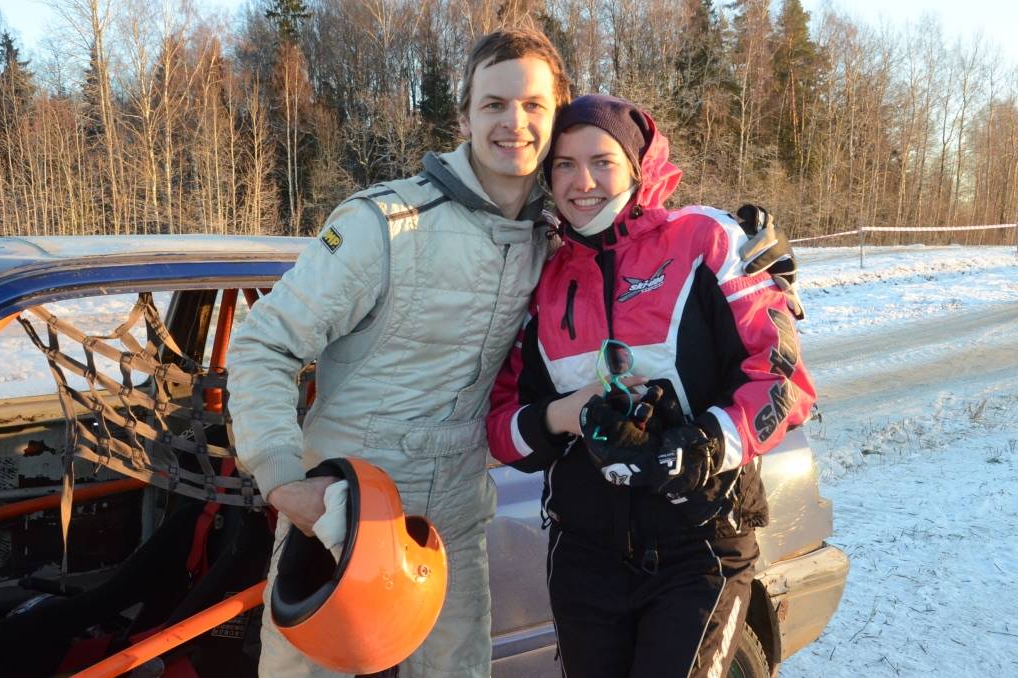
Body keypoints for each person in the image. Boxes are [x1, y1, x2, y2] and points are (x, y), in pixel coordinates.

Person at [226, 28, 571, 678]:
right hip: (341, 514)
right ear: (464, 118)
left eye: (533, 105)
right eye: (494, 104)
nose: (514, 122)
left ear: (557, 118)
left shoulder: (551, 241)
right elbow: (264, 344)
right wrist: (283, 480)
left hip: (452, 524)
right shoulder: (384, 226)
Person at [486, 94, 817, 677]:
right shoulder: (541, 280)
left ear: (639, 166)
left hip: (698, 544)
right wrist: (566, 416)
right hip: (585, 555)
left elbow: (783, 378)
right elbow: (500, 426)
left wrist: (705, 443)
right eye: (564, 164)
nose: (582, 181)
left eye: (602, 161)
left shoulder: (706, 240)